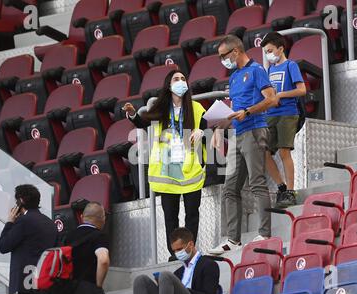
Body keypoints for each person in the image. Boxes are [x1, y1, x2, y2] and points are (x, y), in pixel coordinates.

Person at [123, 69, 207, 258]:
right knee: (171, 217)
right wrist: (131, 114)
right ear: (169, 85)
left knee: (192, 213)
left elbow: (206, 125)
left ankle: (190, 249)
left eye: (183, 79)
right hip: (167, 172)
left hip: (191, 170)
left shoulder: (196, 107)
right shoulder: (161, 108)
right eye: (176, 79)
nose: (180, 82)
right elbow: (142, 122)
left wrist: (201, 132)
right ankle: (175, 252)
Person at [208, 35, 277, 255]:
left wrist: (247, 112)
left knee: (257, 182)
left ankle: (264, 233)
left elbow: (271, 99)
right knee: (229, 188)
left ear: (235, 52)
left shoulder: (256, 70)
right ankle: (233, 239)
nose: (222, 61)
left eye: (223, 56)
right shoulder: (234, 77)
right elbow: (233, 111)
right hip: (237, 134)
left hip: (254, 130)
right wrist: (219, 126)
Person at [261, 32, 307, 207]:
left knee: (284, 152)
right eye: (266, 51)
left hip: (287, 113)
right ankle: (281, 186)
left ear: (280, 49)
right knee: (265, 152)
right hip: (271, 115)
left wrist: (281, 94)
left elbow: (301, 89)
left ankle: (290, 190)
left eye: (271, 50)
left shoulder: (290, 65)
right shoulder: (270, 70)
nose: (268, 54)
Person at [0, 184, 58, 294]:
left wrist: (10, 222)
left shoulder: (23, 221)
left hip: (27, 285)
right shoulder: (50, 223)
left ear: (20, 201)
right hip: (47, 283)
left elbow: (3, 245)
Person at [133, 227, 220, 294]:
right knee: (140, 280)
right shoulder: (178, 272)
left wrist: (181, 289)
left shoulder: (209, 265)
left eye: (179, 249)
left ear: (191, 245)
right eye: (174, 251)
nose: (177, 253)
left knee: (165, 275)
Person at [47, 202, 110, 294]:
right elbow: (103, 260)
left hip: (66, 290)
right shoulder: (99, 236)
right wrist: (98, 286)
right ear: (103, 219)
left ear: (81, 217)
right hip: (87, 290)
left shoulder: (67, 237)